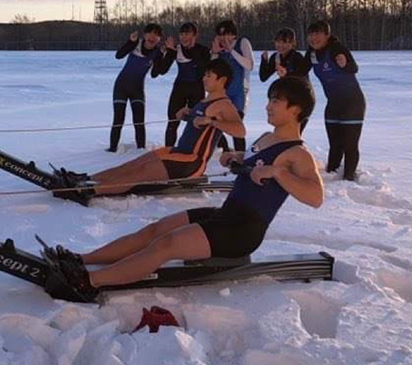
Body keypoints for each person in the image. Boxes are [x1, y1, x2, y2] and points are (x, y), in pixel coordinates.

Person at [48, 76, 323, 300]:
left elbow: (315, 197)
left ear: (296, 109)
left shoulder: (298, 153)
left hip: (242, 231)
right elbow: (253, 161)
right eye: (269, 99)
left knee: (166, 245)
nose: (268, 105)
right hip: (226, 215)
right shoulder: (267, 138)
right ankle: (83, 259)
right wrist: (235, 159)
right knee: (154, 231)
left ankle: (88, 282)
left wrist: (276, 172)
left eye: (276, 100)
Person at [54, 59, 243, 202]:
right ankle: (86, 179)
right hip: (177, 152)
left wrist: (212, 121)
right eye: (205, 74)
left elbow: (239, 130)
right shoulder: (205, 101)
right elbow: (197, 123)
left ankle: (86, 192)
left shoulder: (224, 105)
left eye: (209, 75)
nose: (204, 79)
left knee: (139, 173)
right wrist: (186, 113)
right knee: (131, 165)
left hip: (191, 161)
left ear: (222, 80)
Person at [305, 20, 366, 181]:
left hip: (352, 103)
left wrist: (345, 64)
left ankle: (348, 179)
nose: (313, 38)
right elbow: (300, 70)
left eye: (317, 34)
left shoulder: (336, 49)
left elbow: (353, 68)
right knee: (335, 144)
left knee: (349, 145)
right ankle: (331, 175)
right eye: (310, 34)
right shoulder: (311, 53)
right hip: (333, 104)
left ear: (327, 35)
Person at [108, 24, 176, 152]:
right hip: (121, 87)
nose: (152, 37)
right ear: (144, 35)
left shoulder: (157, 52)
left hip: (137, 89)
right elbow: (118, 55)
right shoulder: (135, 44)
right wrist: (130, 42)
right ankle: (112, 150)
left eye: (156, 34)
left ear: (159, 39)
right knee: (118, 119)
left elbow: (156, 73)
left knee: (139, 121)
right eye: (150, 33)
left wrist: (168, 54)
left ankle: (140, 149)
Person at [151, 22, 212, 147]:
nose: (184, 37)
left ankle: (202, 148)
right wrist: (167, 53)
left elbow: (203, 70)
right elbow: (159, 71)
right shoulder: (176, 50)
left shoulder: (203, 50)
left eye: (187, 34)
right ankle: (168, 150)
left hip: (197, 89)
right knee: (173, 121)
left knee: (198, 121)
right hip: (180, 89)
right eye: (181, 34)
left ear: (195, 35)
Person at [211, 20, 254, 151]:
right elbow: (212, 70)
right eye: (220, 35)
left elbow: (249, 65)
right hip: (222, 93)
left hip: (239, 92)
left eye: (227, 35)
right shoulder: (219, 47)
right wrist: (214, 53)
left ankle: (240, 155)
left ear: (234, 34)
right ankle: (224, 150)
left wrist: (232, 52)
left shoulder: (242, 43)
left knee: (236, 126)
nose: (224, 38)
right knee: (214, 124)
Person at [259, 27, 312, 133]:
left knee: (293, 132)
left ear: (292, 44)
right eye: (278, 42)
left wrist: (287, 74)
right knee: (284, 132)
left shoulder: (297, 57)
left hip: (302, 99)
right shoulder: (276, 57)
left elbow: (302, 77)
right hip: (288, 100)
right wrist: (264, 61)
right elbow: (263, 77)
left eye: (285, 42)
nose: (280, 45)